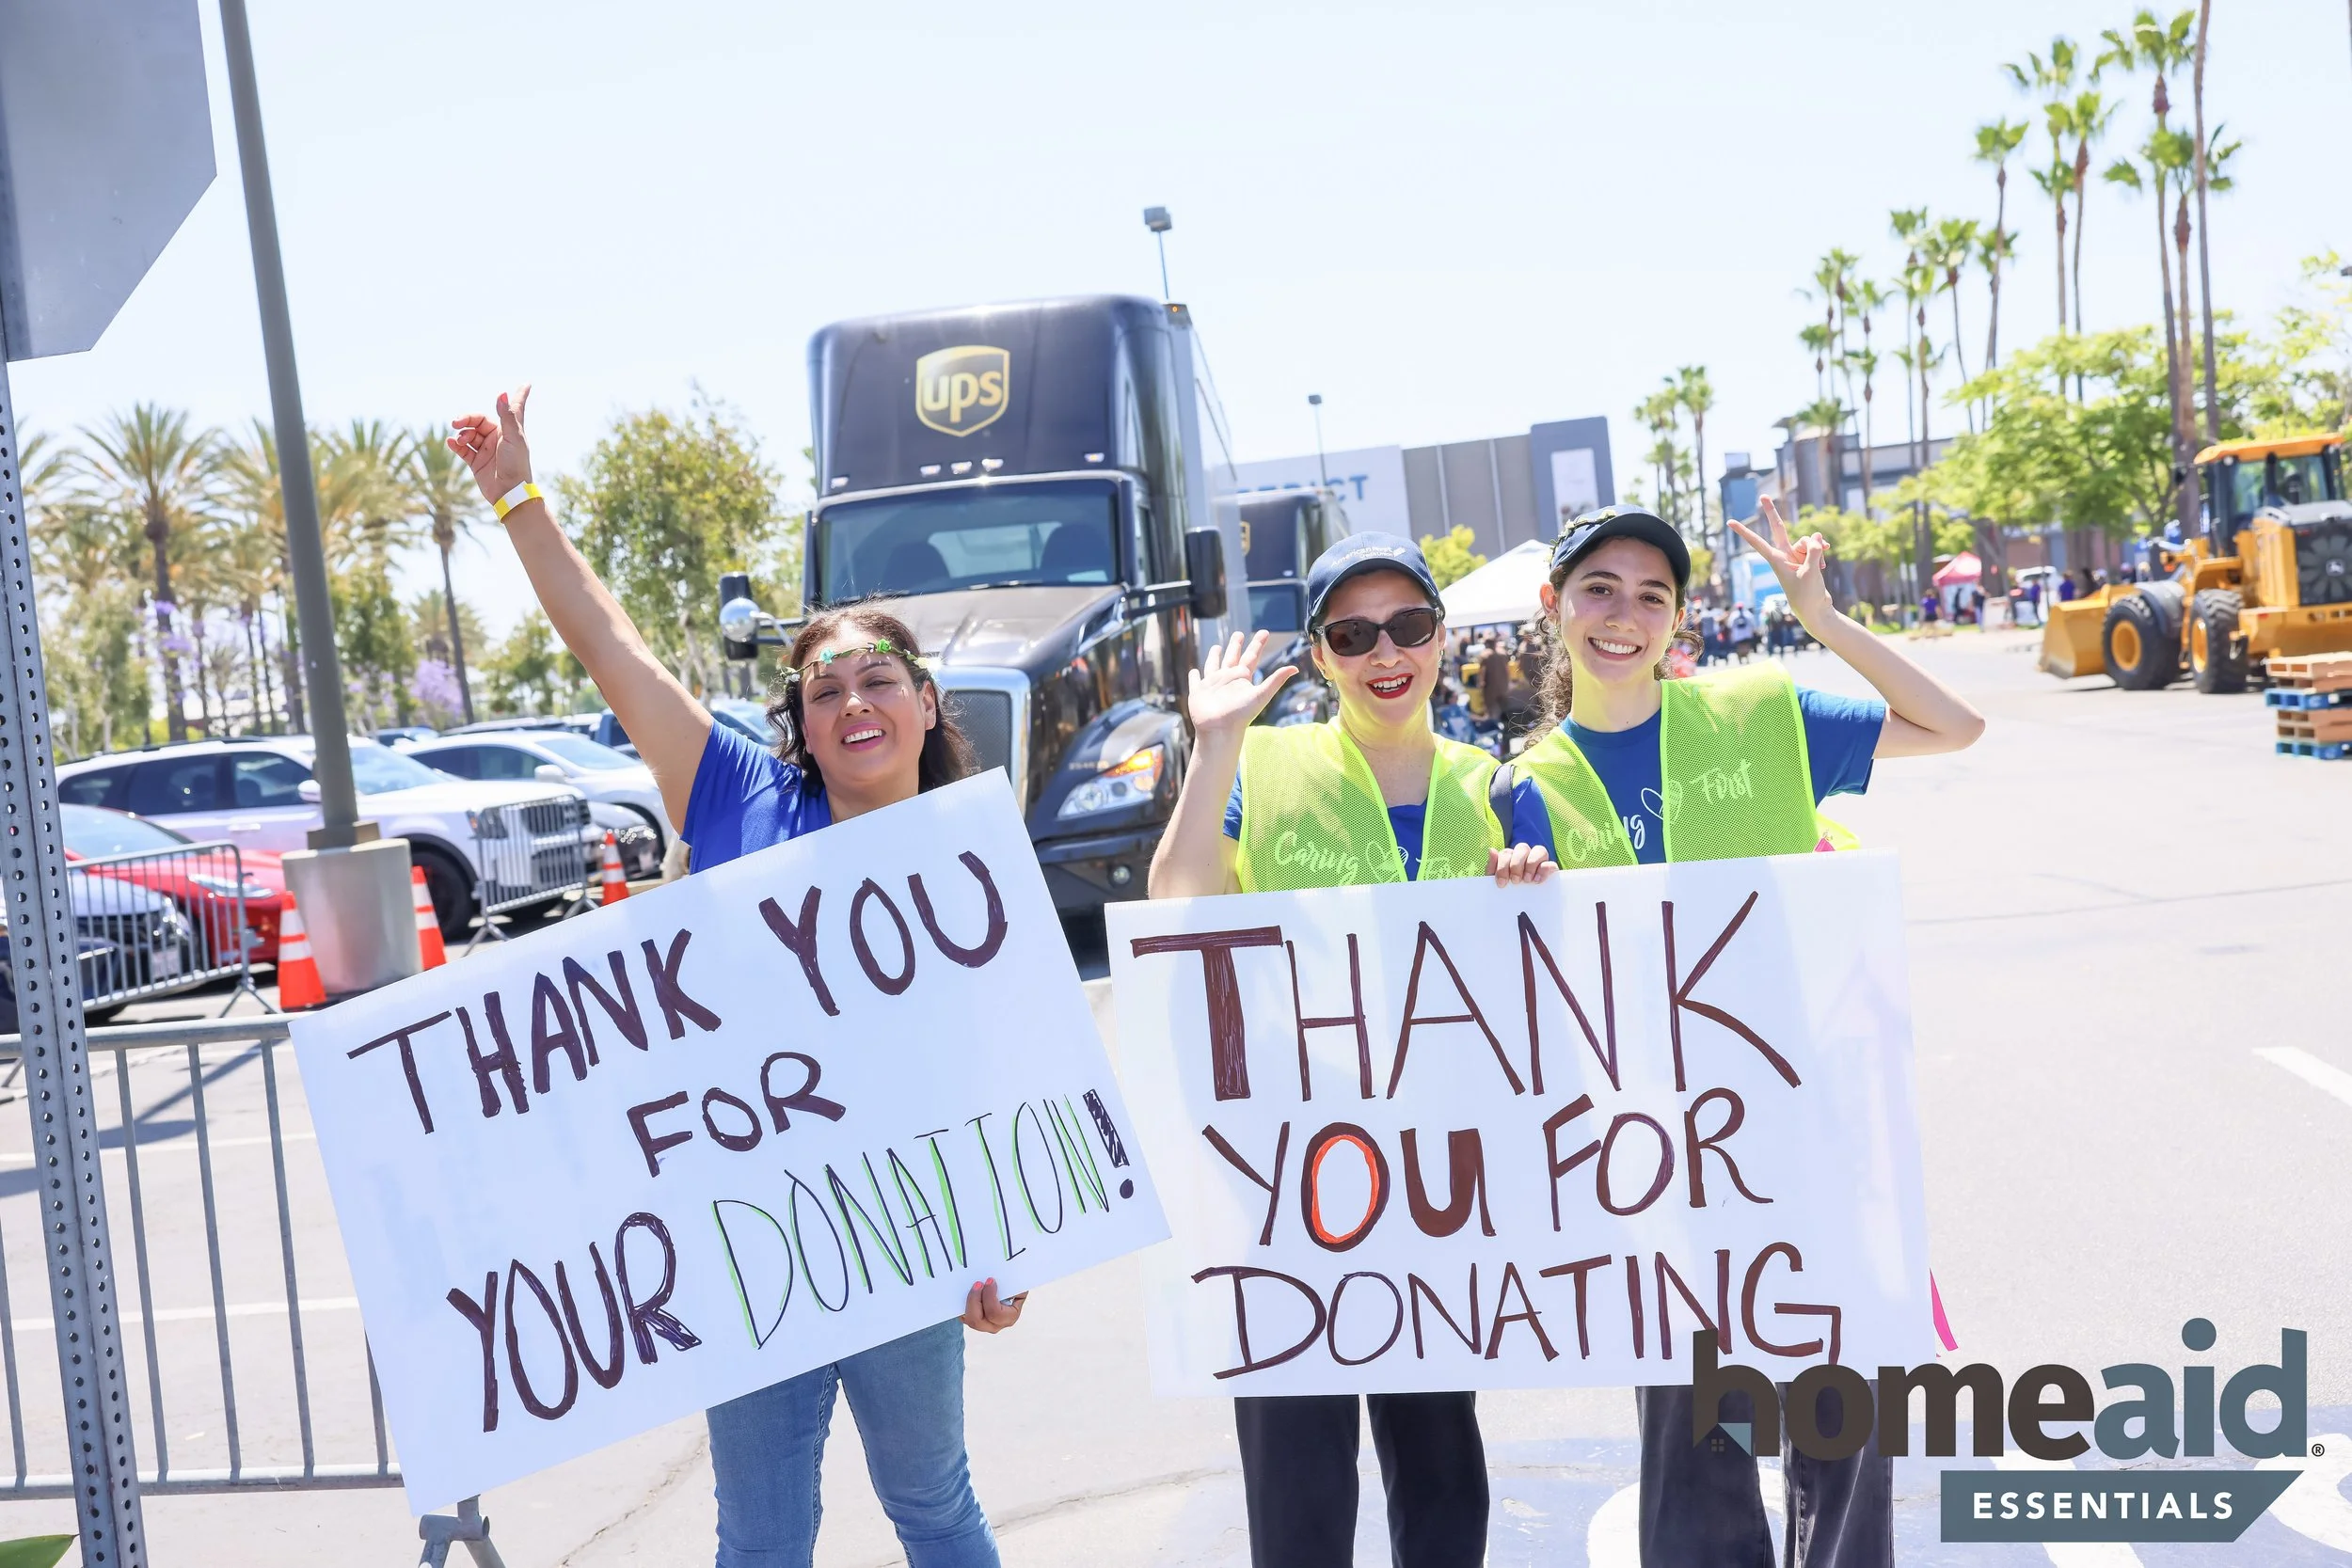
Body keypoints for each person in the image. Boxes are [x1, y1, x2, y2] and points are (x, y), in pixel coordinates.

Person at [445, 387, 1023, 1568]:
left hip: (908, 1237)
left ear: (924, 704)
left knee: (935, 1507)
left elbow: (1008, 1069)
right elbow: (610, 645)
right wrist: (516, 494)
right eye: (823, 689)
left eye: (876, 679)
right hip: (745, 1237)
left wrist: (1008, 1238)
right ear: (800, 726)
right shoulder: (739, 797)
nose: (851, 700)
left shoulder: (972, 862)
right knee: (759, 1537)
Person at [1514, 501, 1983, 1568]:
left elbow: (1953, 725)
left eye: (1651, 595)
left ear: (1679, 619)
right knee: (1696, 1438)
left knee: (1841, 1415)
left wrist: (1824, 619)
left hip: (1811, 1125)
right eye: (1597, 588)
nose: (1621, 615)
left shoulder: (1759, 710)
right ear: (1553, 607)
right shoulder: (1520, 791)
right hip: (1656, 1159)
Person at [1148, 532, 1554, 1568]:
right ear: (1324, 655)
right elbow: (1178, 902)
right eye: (1352, 631)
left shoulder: (1492, 782)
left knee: (1438, 1471)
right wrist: (1214, 745)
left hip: (1434, 1182)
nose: (1386, 649)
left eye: (1408, 625)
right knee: (1297, 1483)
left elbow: (1548, 968)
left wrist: (1527, 879)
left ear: (1440, 637)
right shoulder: (1264, 764)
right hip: (1286, 1179)